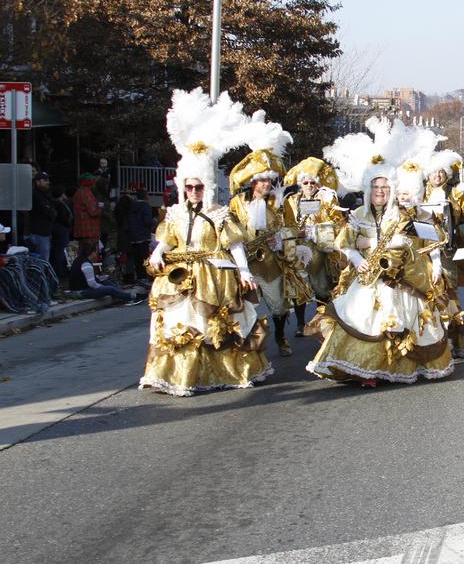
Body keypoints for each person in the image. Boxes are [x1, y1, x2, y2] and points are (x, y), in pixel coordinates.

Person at [139, 88, 273, 397]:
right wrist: (158, 253)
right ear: (182, 185)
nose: (194, 192)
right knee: (180, 326)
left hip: (214, 276)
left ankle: (219, 371)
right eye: (189, 187)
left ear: (207, 187)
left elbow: (236, 243)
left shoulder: (220, 214)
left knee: (214, 326)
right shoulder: (174, 214)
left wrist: (244, 272)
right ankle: (179, 375)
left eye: (199, 187)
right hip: (181, 277)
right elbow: (167, 240)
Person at [307, 118, 454, 386]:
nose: (380, 191)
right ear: (367, 189)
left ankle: (396, 366)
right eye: (375, 187)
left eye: (385, 187)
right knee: (365, 320)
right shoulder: (359, 214)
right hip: (367, 276)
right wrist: (357, 257)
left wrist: (409, 243)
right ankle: (367, 370)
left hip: (401, 276)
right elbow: (345, 243)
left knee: (399, 321)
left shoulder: (405, 213)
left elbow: (431, 238)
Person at [228, 139, 311, 357]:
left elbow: (292, 228)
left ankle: (280, 335)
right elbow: (229, 227)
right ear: (253, 182)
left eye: (269, 180)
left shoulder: (279, 202)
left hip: (270, 262)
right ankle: (243, 343)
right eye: (262, 180)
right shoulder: (237, 202)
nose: (266, 184)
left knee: (279, 307)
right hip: (244, 261)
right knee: (241, 307)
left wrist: (281, 239)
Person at [423, 149, 464, 358]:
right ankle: (430, 342)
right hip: (422, 252)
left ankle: (456, 340)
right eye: (433, 172)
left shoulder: (457, 194)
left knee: (449, 295)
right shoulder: (419, 194)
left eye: (441, 172)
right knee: (424, 295)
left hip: (448, 252)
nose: (437, 175)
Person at [282, 156, 345, 337]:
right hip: (298, 249)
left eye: (312, 182)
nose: (309, 185)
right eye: (305, 182)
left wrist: (317, 230)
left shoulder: (327, 198)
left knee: (322, 288)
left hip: (320, 249)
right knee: (299, 287)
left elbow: (338, 223)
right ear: (300, 184)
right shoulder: (291, 201)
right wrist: (294, 235)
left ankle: (320, 321)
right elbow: (285, 225)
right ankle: (301, 324)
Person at [69, 242, 145, 305]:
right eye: (96, 252)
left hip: (84, 287)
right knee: (109, 289)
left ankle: (122, 297)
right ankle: (133, 296)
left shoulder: (79, 260)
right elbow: (92, 284)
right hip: (81, 291)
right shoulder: (86, 264)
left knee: (108, 282)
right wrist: (102, 286)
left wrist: (101, 280)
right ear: (93, 252)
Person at [26, 171, 56, 269]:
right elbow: (48, 212)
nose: (48, 182)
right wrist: (52, 212)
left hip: (44, 232)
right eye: (45, 180)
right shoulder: (36, 195)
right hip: (39, 233)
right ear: (37, 182)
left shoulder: (44, 195)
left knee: (42, 260)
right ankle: (41, 282)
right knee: (41, 261)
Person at [73, 173, 101, 247]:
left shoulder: (78, 192)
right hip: (89, 229)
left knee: (82, 252)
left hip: (80, 228)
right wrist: (101, 209)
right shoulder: (87, 194)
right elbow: (93, 212)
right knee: (90, 254)